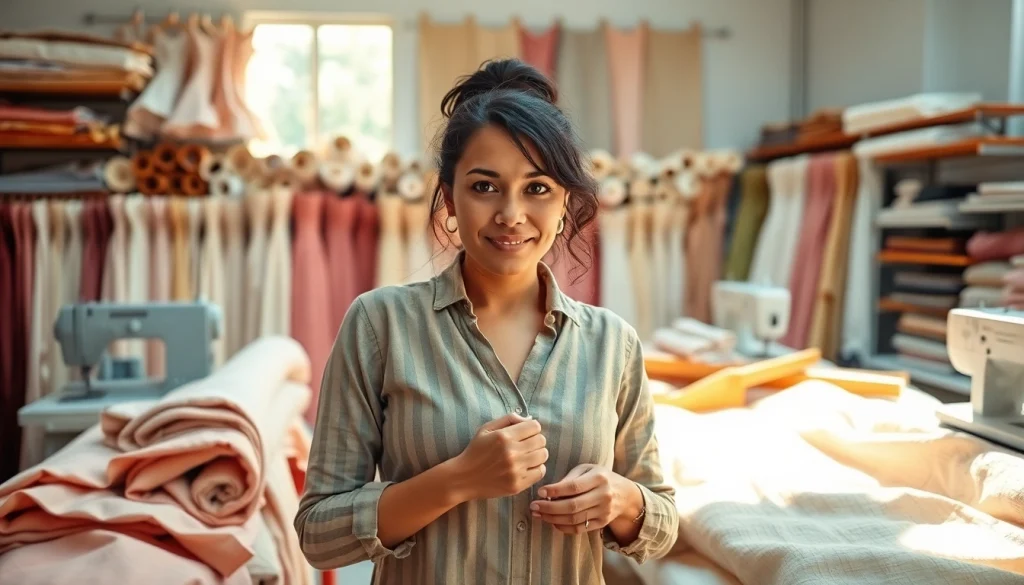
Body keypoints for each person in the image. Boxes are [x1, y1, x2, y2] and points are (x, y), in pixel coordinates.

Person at [294, 58, 679, 584]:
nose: (511, 214)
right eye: (485, 186)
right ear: (449, 198)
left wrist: (624, 500)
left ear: (566, 201)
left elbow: (662, 523)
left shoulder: (614, 343)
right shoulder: (379, 325)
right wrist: (456, 480)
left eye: (537, 188)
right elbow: (319, 533)